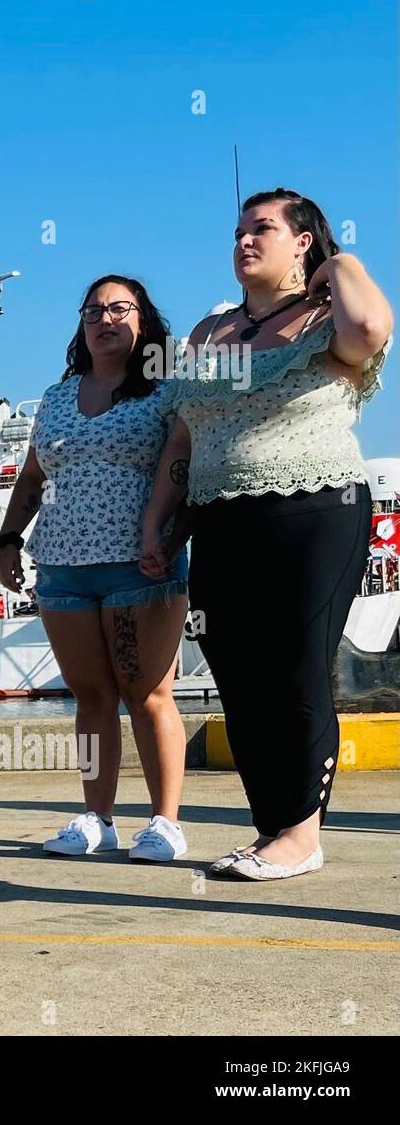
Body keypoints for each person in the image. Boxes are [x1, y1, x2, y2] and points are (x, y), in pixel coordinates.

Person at [142, 188, 392, 881]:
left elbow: (371, 328)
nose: (244, 240)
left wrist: (339, 266)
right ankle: (273, 830)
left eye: (263, 229)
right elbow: (185, 432)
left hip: (316, 510)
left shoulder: (328, 315)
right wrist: (157, 519)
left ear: (305, 241)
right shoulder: (209, 333)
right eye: (239, 230)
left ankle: (302, 835)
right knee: (238, 671)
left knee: (298, 665)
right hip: (221, 516)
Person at [0, 277, 191, 862]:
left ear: (144, 321)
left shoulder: (168, 392)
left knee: (149, 692)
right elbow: (32, 477)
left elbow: (187, 469)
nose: (104, 319)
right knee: (91, 697)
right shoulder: (56, 398)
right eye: (93, 310)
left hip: (142, 564)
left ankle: (165, 822)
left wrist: (173, 535)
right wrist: (7, 539)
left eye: (119, 308)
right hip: (62, 566)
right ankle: (97, 816)